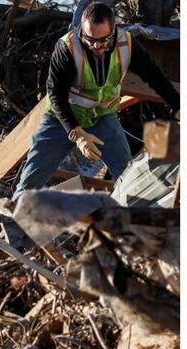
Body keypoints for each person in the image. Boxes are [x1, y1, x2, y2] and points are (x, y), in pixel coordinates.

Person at [13, 2, 179, 202]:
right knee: (31, 181)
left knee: (129, 176)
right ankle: (13, 226)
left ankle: (131, 224)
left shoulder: (127, 43)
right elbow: (56, 94)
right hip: (60, 120)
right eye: (90, 39)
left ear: (114, 30)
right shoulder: (67, 47)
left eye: (103, 39)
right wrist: (77, 133)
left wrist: (178, 106)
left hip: (102, 118)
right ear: (82, 30)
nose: (96, 45)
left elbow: (154, 76)